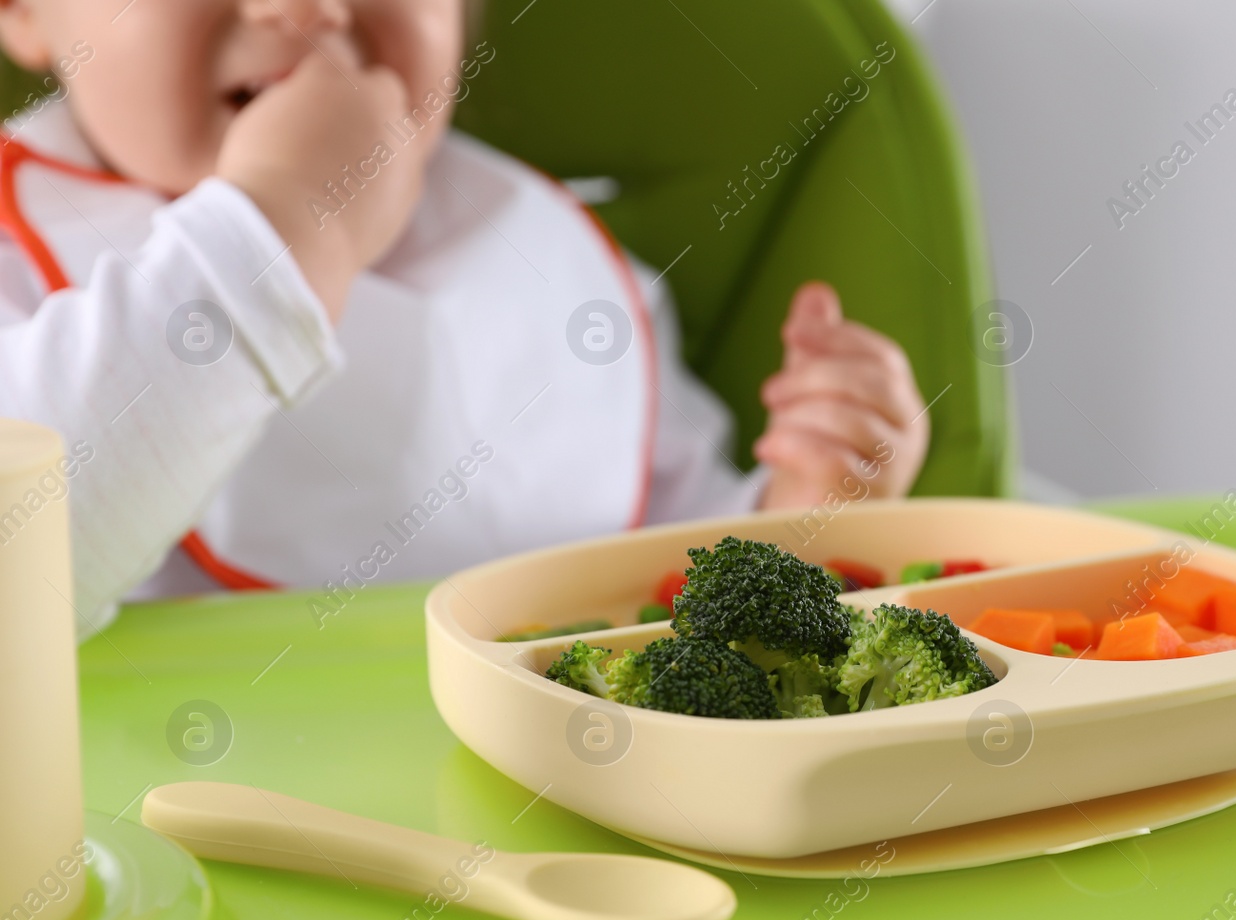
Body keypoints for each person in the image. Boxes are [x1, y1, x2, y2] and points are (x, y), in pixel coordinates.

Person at [0, 0, 930, 632]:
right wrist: (282, 225)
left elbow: (666, 571)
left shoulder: (542, 257)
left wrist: (802, 514)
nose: (308, 7)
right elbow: (22, 569)